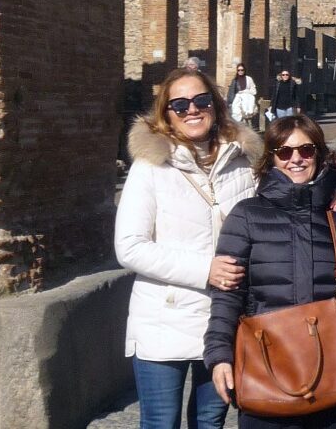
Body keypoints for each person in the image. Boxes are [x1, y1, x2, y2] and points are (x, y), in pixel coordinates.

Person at [204, 114, 336, 429]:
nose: (296, 159)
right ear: (272, 158)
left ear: (319, 153)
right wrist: (219, 354)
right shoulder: (246, 215)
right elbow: (228, 295)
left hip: (333, 369)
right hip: (266, 366)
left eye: (306, 150)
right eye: (285, 152)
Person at [115, 67, 262, 429]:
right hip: (164, 319)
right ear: (165, 114)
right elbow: (130, 247)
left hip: (226, 320)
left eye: (200, 100)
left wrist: (335, 184)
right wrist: (204, 269)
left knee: (210, 423)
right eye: (179, 104)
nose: (191, 110)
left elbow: (288, 194)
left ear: (216, 104)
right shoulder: (150, 168)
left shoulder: (244, 163)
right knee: (160, 423)